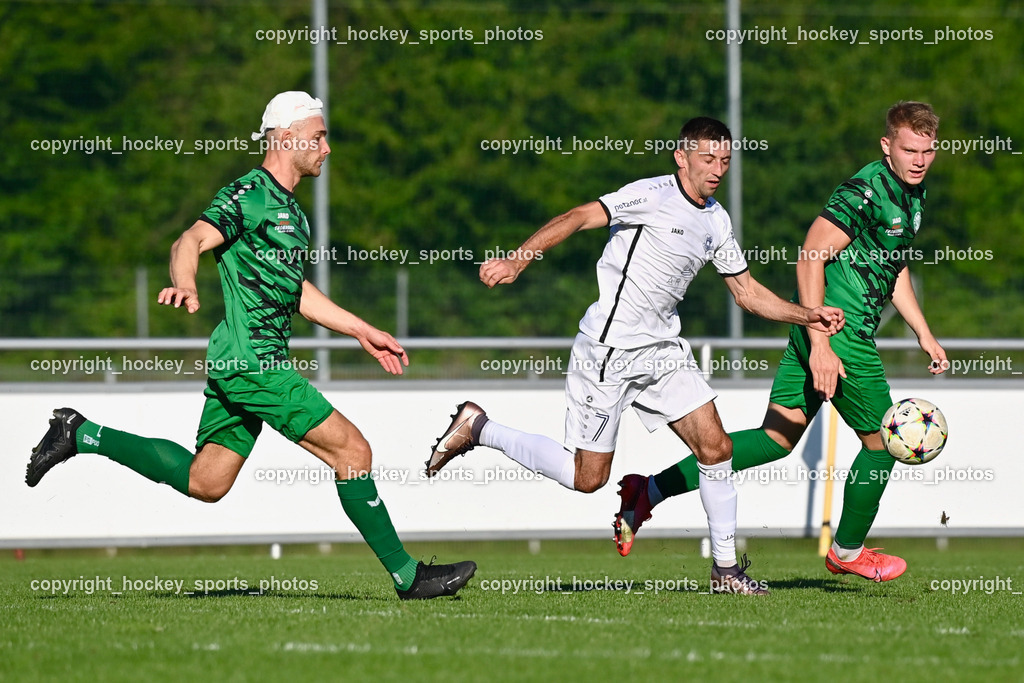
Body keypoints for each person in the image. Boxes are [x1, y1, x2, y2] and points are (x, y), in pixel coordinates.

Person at [27, 91, 476, 600]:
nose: (327, 147)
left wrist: (360, 330)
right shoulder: (250, 194)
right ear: (286, 136)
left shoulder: (293, 214)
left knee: (207, 481)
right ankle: (408, 577)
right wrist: (187, 282)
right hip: (253, 364)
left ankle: (80, 433)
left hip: (238, 363)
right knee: (354, 451)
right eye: (320, 135)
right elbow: (189, 242)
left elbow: (297, 292)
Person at [425, 117, 845, 595]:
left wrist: (806, 314)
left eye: (725, 160)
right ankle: (479, 427)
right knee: (587, 479)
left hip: (663, 351)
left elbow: (747, 293)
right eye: (708, 158)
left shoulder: (717, 220)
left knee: (717, 448)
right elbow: (580, 216)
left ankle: (726, 572)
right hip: (609, 351)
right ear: (681, 157)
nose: (717, 169)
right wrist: (519, 258)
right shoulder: (651, 195)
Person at [613, 102, 946, 583]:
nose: (919, 160)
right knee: (882, 444)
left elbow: (890, 269)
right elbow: (810, 255)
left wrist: (924, 333)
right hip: (838, 331)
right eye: (909, 149)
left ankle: (648, 491)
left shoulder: (912, 197)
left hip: (825, 332)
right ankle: (848, 552)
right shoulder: (864, 191)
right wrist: (822, 345)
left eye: (927, 151)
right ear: (886, 146)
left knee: (776, 440)